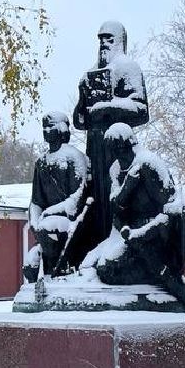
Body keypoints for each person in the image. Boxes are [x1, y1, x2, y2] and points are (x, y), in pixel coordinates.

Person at [88, 123, 185, 314]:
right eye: (113, 151)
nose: (117, 155)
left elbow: (170, 211)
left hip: (155, 232)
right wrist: (129, 185)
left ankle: (180, 293)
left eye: (119, 149)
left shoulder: (149, 165)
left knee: (118, 266)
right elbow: (115, 205)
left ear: (128, 145)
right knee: (101, 268)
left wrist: (143, 234)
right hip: (128, 232)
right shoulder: (116, 170)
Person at [66, 20, 147, 270]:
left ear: (120, 40)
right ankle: (94, 251)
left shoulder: (128, 68)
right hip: (95, 148)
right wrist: (82, 101)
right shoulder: (89, 73)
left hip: (119, 147)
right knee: (96, 197)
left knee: (118, 196)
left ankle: (118, 249)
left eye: (109, 38)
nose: (103, 43)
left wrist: (109, 106)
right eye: (100, 38)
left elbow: (142, 111)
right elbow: (79, 121)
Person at [24, 111, 89, 281]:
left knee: (48, 231)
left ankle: (59, 275)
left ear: (62, 128)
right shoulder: (41, 162)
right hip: (46, 221)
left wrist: (49, 213)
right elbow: (36, 200)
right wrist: (34, 221)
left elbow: (77, 198)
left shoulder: (74, 158)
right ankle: (44, 276)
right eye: (44, 127)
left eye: (50, 126)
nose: (46, 130)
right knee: (41, 238)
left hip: (69, 220)